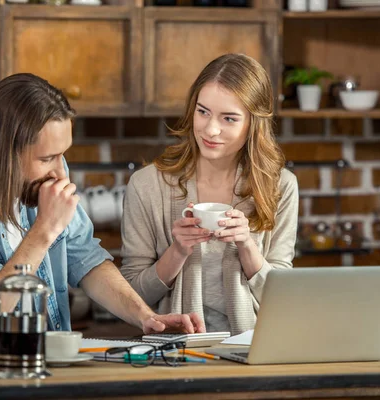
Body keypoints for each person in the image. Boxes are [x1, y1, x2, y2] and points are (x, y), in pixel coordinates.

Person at [0, 73, 204, 346]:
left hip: (44, 362)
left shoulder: (43, 173)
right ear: (5, 155)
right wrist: (43, 232)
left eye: (62, 156)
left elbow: (84, 258)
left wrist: (146, 318)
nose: (61, 173)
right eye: (47, 159)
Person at [120, 53, 299, 335]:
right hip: (175, 350)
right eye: (203, 112)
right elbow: (131, 297)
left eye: (229, 118)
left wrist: (247, 246)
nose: (211, 129)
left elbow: (284, 300)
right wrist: (177, 251)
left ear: (254, 123)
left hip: (253, 347)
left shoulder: (280, 186)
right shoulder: (146, 186)